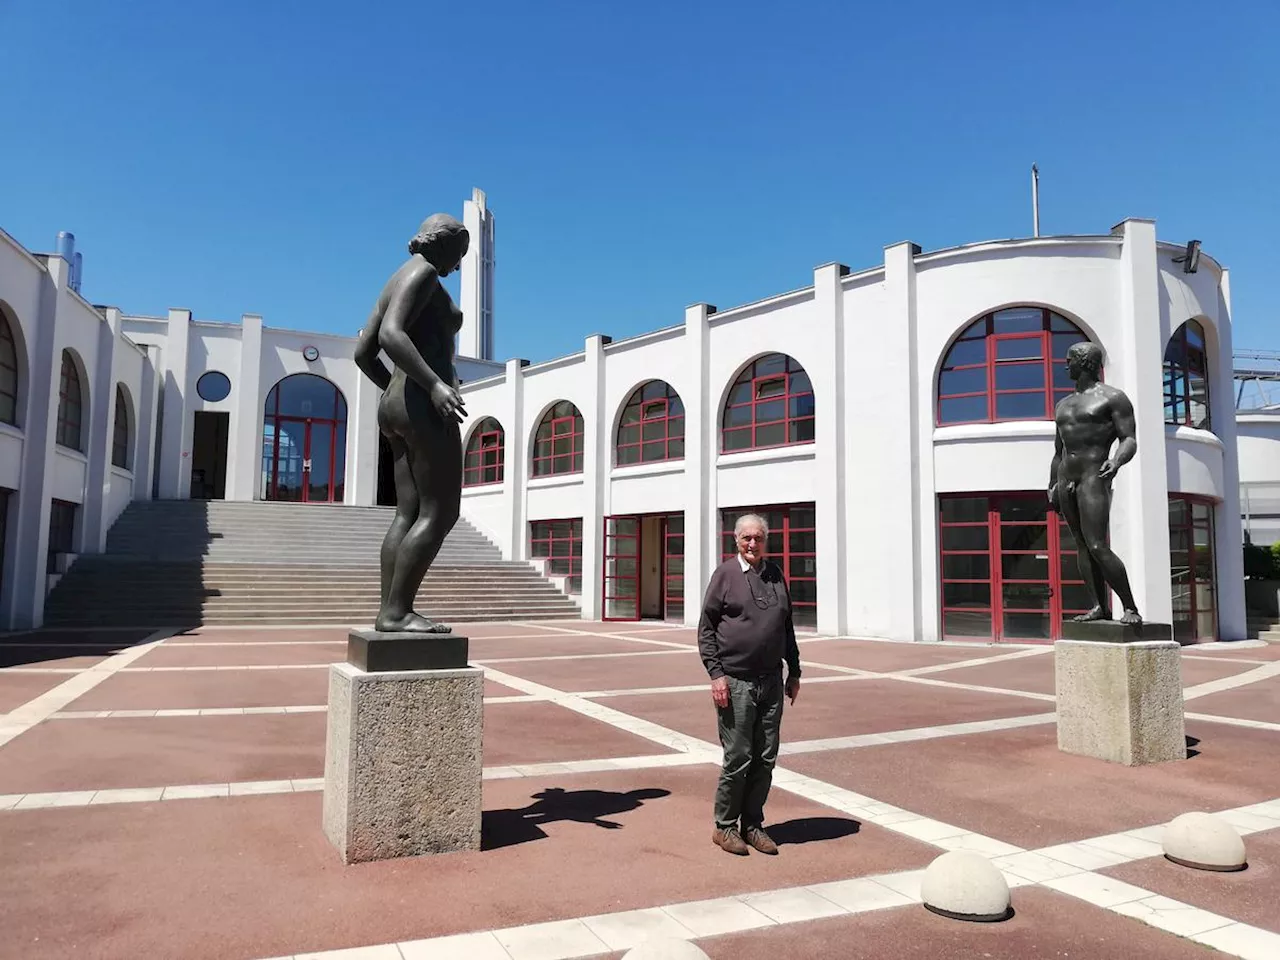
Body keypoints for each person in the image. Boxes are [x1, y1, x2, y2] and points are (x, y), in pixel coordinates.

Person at [353, 214, 470, 633]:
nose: (459, 265)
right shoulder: (421, 274)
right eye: (460, 253)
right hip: (422, 406)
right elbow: (390, 336)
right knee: (440, 513)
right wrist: (434, 387)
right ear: (445, 244)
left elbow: (361, 353)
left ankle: (391, 611)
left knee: (407, 512)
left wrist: (394, 391)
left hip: (398, 405)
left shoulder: (395, 278)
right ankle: (397, 611)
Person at [697, 513, 802, 856]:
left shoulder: (775, 575)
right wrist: (716, 675)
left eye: (758, 538)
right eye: (747, 539)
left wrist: (795, 671)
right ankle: (725, 827)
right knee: (739, 757)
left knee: (766, 757)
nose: (753, 544)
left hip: (771, 680)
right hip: (736, 682)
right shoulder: (725, 575)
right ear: (736, 541)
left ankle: (753, 824)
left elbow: (786, 628)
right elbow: (707, 628)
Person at [1049, 340, 1142, 624]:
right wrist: (1052, 483)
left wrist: (1116, 461)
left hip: (1093, 476)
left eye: (1070, 360)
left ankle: (1130, 608)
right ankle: (1099, 607)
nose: (1065, 365)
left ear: (1086, 362)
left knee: (1097, 545)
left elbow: (1129, 439)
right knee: (1080, 544)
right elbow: (1058, 450)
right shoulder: (1063, 404)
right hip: (1067, 477)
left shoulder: (1113, 398)